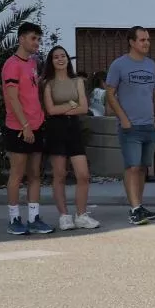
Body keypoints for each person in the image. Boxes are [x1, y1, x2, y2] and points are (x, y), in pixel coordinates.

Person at [105, 26, 155, 226]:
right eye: (142, 40)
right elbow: (110, 94)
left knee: (142, 168)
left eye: (148, 39)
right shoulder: (119, 65)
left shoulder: (151, 65)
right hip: (130, 127)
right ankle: (134, 209)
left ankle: (140, 205)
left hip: (149, 125)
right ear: (131, 42)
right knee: (132, 166)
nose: (146, 43)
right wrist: (124, 119)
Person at [1, 22, 54, 235]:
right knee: (17, 174)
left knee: (35, 174)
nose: (37, 43)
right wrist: (25, 125)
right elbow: (12, 98)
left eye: (39, 39)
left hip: (37, 125)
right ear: (21, 38)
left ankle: (34, 218)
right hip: (18, 128)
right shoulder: (11, 65)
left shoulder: (32, 63)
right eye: (33, 38)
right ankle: (14, 219)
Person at [41, 45, 100, 230]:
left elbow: (83, 108)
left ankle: (81, 215)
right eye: (56, 56)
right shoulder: (47, 83)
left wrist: (64, 107)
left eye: (63, 56)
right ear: (51, 61)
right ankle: (64, 216)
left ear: (68, 59)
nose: (60, 59)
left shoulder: (77, 82)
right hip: (56, 130)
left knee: (83, 175)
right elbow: (50, 110)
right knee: (59, 175)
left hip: (73, 128)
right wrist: (71, 104)